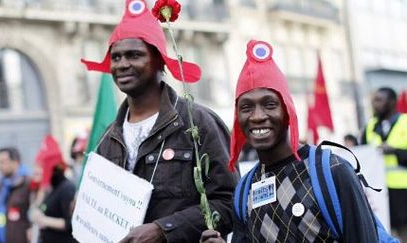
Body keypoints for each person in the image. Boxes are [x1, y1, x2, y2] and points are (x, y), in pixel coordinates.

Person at [80, 0, 239, 242]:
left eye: (134, 55)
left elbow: (230, 203)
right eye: (116, 57)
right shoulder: (107, 140)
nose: (122, 64)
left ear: (159, 61)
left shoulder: (198, 123)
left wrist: (164, 230)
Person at [200, 40, 378, 242]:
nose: (257, 116)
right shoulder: (244, 190)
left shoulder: (332, 170)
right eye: (246, 107)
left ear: (287, 111)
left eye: (270, 104)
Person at [361, 87, 407, 241]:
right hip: (378, 191)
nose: (375, 104)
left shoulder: (405, 122)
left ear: (392, 102)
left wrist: (395, 151)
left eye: (379, 100)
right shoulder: (371, 125)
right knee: (384, 230)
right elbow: (361, 154)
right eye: (374, 100)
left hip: (402, 189)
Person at [0, 147, 32, 243]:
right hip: (3, 238)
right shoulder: (0, 185)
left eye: (2, 162)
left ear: (15, 162)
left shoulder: (28, 184)